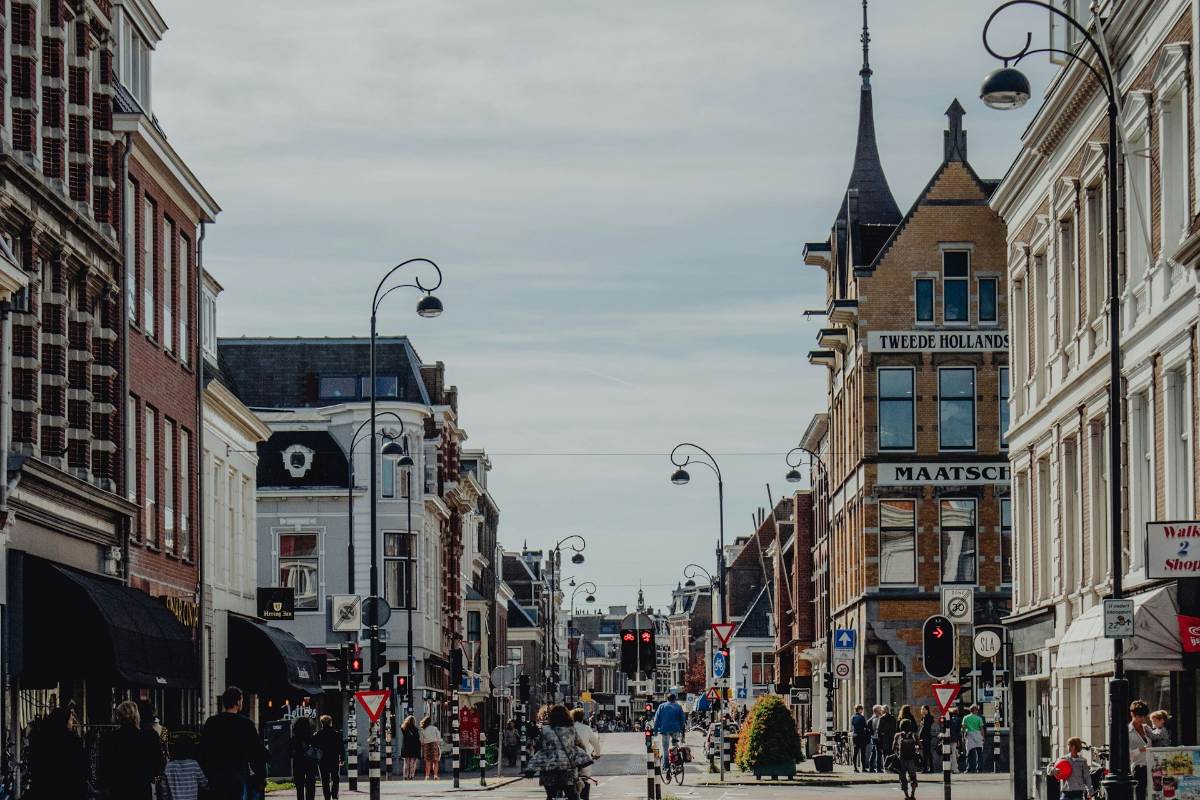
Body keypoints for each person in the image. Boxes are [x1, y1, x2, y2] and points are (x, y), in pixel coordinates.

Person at [201, 686, 269, 800]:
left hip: (216, 778)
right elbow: (256, 751)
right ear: (238, 702)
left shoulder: (211, 723)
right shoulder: (246, 724)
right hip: (238, 777)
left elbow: (204, 750)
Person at [98, 700, 167, 800]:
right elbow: (158, 765)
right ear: (136, 716)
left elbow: (104, 769)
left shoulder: (109, 739)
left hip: (118, 791)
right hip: (141, 790)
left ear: (118, 717)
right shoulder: (149, 737)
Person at [26, 705, 88, 799]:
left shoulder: (41, 738)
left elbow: (33, 764)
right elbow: (80, 768)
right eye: (71, 720)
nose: (72, 723)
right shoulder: (73, 741)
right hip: (68, 790)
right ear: (64, 721)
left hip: (45, 790)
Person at [530, 705, 581, 800]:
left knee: (550, 796)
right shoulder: (572, 730)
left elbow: (538, 747)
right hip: (567, 770)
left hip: (548, 770)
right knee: (572, 795)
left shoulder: (545, 730)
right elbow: (579, 747)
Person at [651, 694, 686, 773]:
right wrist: (680, 729)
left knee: (665, 748)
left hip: (665, 729)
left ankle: (666, 766)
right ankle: (676, 764)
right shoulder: (678, 707)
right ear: (674, 699)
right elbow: (682, 719)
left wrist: (655, 731)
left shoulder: (661, 706)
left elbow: (656, 719)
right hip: (675, 729)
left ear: (667, 699)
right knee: (675, 746)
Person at [572, 708, 601, 800]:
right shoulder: (587, 728)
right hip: (584, 762)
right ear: (582, 718)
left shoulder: (568, 729)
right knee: (585, 779)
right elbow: (596, 743)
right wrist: (597, 754)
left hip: (570, 761)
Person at [312, 715, 343, 799]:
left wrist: (315, 759)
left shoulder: (317, 735)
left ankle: (327, 796)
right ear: (330, 723)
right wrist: (342, 758)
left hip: (322, 760)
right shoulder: (336, 734)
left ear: (322, 724)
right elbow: (341, 747)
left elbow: (314, 748)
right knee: (335, 778)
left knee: (325, 780)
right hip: (334, 758)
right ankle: (334, 794)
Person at [289, 716, 319, 800]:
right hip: (310, 762)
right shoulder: (312, 737)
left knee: (299, 786)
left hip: (298, 763)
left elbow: (289, 753)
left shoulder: (294, 738)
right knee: (311, 783)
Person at [892, 718, 922, 800]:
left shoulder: (897, 735)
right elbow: (920, 747)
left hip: (901, 759)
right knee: (913, 777)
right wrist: (916, 748)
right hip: (911, 759)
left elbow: (893, 748)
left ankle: (906, 795)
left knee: (902, 778)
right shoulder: (914, 735)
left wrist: (897, 748)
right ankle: (912, 794)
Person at [1129, 700, 1153, 800]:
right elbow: (1127, 754)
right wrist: (1140, 750)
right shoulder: (1128, 732)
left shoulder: (1147, 728)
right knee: (1140, 795)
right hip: (1139, 768)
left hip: (1152, 767)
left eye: (1144, 716)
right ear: (1132, 714)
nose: (1142, 719)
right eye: (1139, 716)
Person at [962, 705, 985, 773]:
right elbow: (981, 729)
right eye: (977, 710)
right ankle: (979, 769)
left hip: (970, 735)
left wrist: (963, 735)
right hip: (978, 735)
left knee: (969, 753)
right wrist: (983, 737)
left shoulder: (965, 717)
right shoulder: (979, 718)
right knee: (979, 753)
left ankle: (969, 768)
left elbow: (963, 727)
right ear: (975, 711)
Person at [850, 704, 870, 772]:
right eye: (862, 709)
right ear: (859, 709)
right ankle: (863, 768)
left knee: (855, 752)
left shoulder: (852, 717)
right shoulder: (861, 717)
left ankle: (855, 767)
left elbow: (852, 727)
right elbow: (865, 727)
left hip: (855, 736)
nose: (862, 710)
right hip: (862, 736)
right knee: (862, 753)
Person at [867, 705, 884, 773]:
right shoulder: (877, 719)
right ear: (877, 711)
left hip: (873, 737)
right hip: (876, 737)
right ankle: (878, 768)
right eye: (880, 710)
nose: (881, 711)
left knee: (874, 752)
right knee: (878, 753)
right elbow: (877, 729)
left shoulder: (872, 718)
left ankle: (871, 767)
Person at [918, 706, 935, 774]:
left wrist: (920, 735)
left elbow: (924, 728)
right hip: (926, 737)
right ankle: (930, 768)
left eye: (923, 709)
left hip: (926, 737)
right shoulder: (925, 718)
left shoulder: (927, 718)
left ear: (927, 710)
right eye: (921, 709)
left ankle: (926, 768)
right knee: (927, 753)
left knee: (926, 753)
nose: (921, 710)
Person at [946, 707, 963, 774]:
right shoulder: (956, 720)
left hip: (951, 739)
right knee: (952, 754)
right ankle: (953, 768)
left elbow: (952, 732)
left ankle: (954, 769)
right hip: (954, 739)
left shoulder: (950, 722)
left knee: (952, 754)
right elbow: (958, 731)